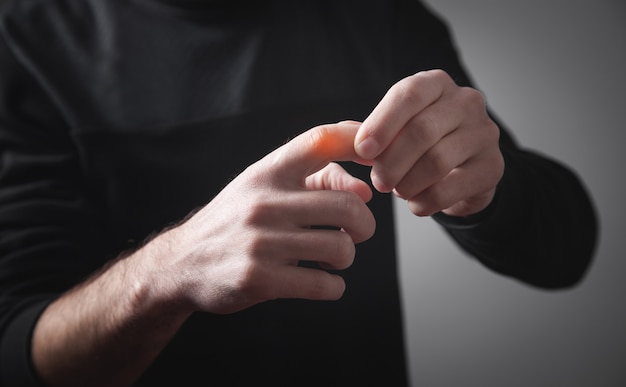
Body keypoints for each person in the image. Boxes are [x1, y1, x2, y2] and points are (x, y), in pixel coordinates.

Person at [0, 0, 597, 386]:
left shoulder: (376, 19)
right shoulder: (24, 43)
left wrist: (482, 190)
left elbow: (565, 253)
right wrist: (167, 272)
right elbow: (19, 353)